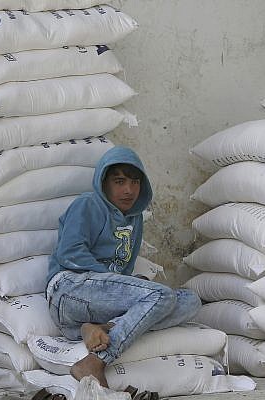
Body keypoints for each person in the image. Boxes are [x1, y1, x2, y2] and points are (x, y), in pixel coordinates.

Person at [45, 146, 202, 388]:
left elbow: (122, 270)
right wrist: (125, 283)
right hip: (70, 289)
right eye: (119, 181)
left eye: (135, 182)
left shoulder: (134, 218)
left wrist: (134, 284)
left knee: (190, 300)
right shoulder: (88, 204)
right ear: (103, 182)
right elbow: (70, 253)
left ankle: (104, 328)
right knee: (161, 295)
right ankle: (95, 361)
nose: (128, 190)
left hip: (97, 307)